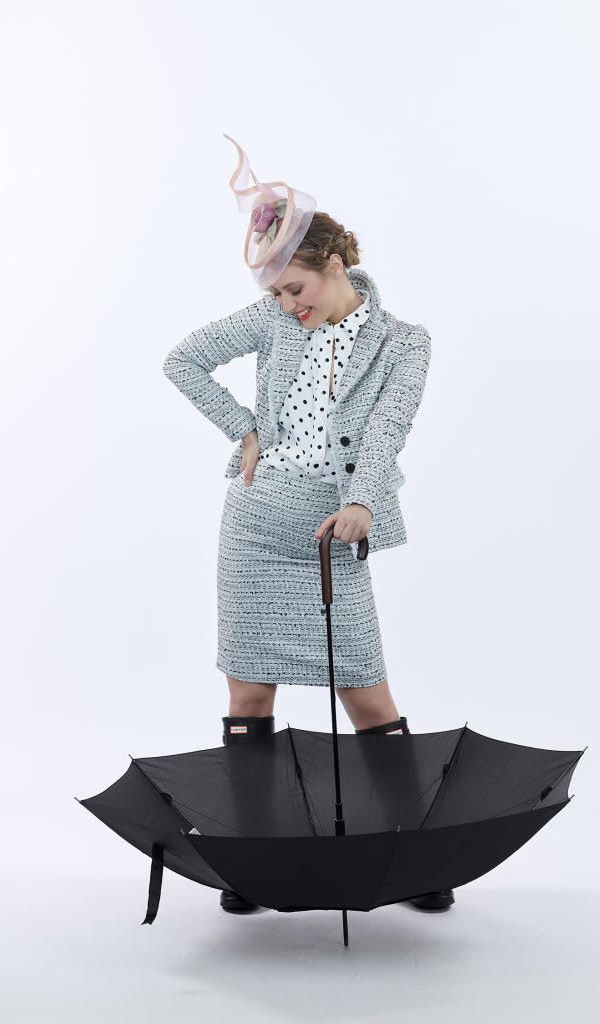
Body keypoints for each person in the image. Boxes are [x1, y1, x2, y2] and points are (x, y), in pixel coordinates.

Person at [162, 135, 454, 914]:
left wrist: (361, 503)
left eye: (296, 288)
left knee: (368, 698)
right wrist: (244, 429)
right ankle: (250, 862)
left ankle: (413, 855)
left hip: (334, 535)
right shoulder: (273, 319)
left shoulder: (404, 342)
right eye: (278, 294)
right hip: (255, 529)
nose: (289, 304)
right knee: (248, 696)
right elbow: (183, 360)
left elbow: (389, 425)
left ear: (333, 264)